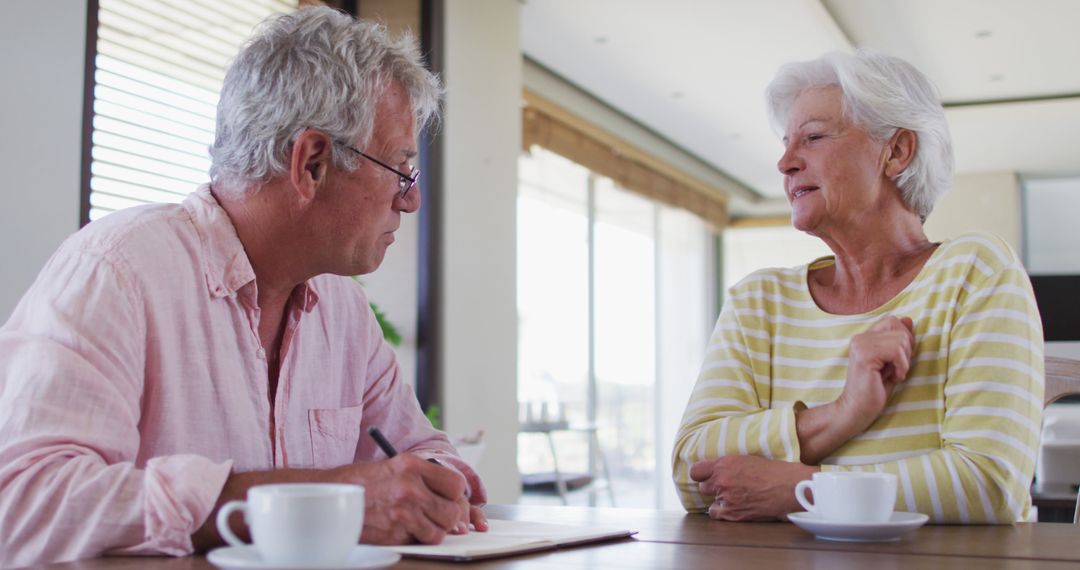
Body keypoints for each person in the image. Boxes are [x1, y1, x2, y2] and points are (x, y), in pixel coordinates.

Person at [0, 7, 487, 566]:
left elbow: (421, 451)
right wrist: (305, 502)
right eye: (401, 170)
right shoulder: (115, 270)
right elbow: (23, 502)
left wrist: (434, 484)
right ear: (313, 163)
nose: (412, 199)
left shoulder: (345, 311)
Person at [672, 49, 1043, 524]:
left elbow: (988, 484)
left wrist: (800, 489)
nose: (785, 162)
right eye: (786, 143)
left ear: (897, 151)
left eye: (813, 137)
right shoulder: (757, 302)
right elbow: (691, 473)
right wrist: (841, 414)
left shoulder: (976, 272)